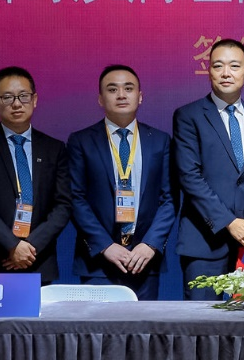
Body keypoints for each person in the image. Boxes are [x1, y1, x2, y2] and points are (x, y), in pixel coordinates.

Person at [172, 38, 244, 299]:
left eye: (234, 66)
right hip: (204, 242)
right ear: (209, 70)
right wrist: (229, 222)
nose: (226, 73)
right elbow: (190, 178)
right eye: (218, 66)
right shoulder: (188, 116)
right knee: (203, 321)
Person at [66, 65, 176, 300]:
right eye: (112, 89)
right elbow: (76, 199)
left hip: (143, 260)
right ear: (100, 99)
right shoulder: (81, 141)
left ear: (140, 96)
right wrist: (105, 245)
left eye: (128, 88)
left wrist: (150, 244)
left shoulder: (160, 141)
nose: (121, 95)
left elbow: (169, 199)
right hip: (98, 262)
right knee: (98, 325)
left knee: (143, 324)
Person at [0, 66, 71, 281]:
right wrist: (12, 245)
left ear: (35, 99)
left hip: (38, 259)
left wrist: (29, 247)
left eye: (23, 96)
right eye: (7, 97)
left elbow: (63, 205)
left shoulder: (54, 148)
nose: (17, 104)